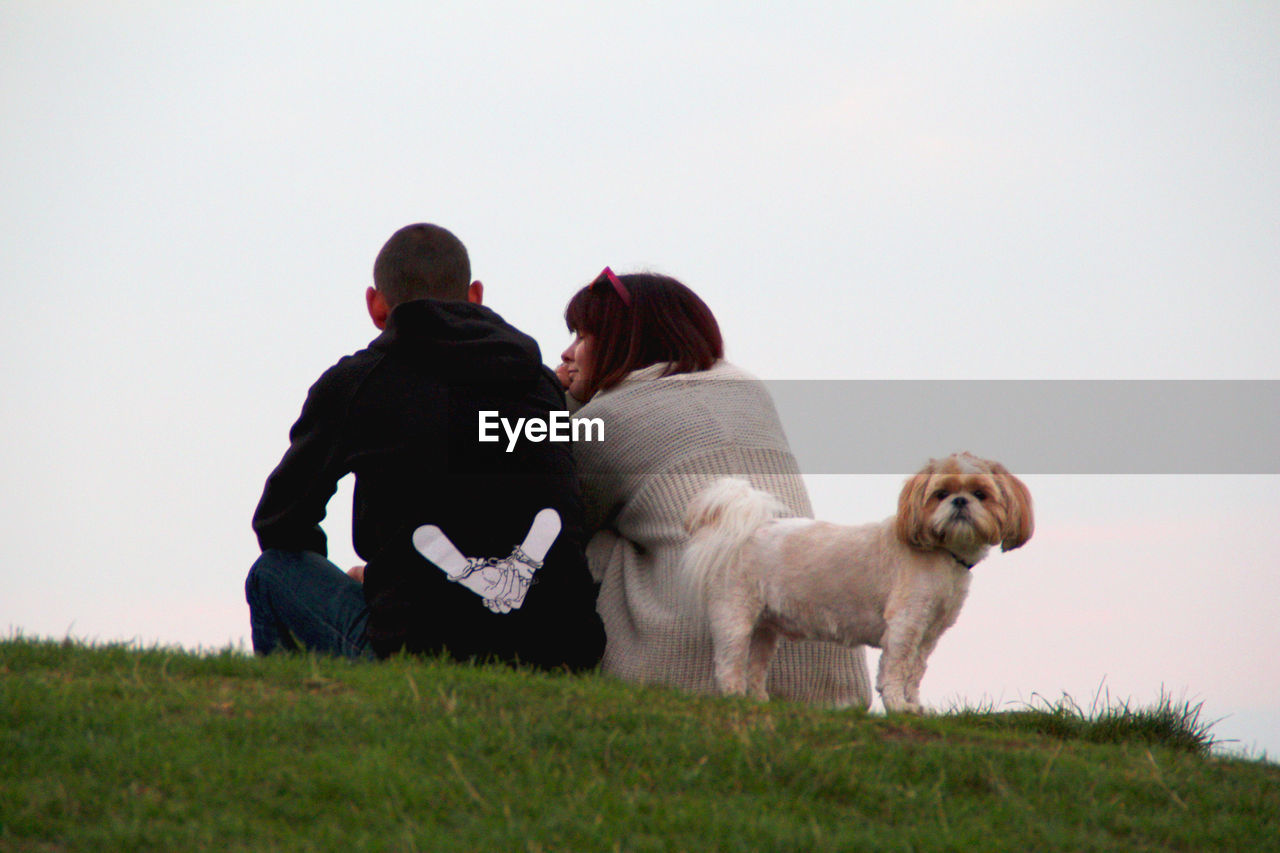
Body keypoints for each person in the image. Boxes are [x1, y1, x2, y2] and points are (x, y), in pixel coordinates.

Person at [246, 223, 605, 670]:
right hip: (560, 651)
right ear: (475, 294)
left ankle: (308, 717)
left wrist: (379, 585)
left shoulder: (356, 385)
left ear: (377, 306)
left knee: (271, 572)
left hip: (417, 647)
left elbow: (280, 525)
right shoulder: (538, 384)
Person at [557, 267, 872, 706]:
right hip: (827, 667)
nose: (567, 353)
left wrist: (565, 402)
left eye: (582, 337)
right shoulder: (749, 389)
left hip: (699, 666)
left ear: (622, 341)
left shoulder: (608, 420)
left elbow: (565, 517)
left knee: (588, 537)